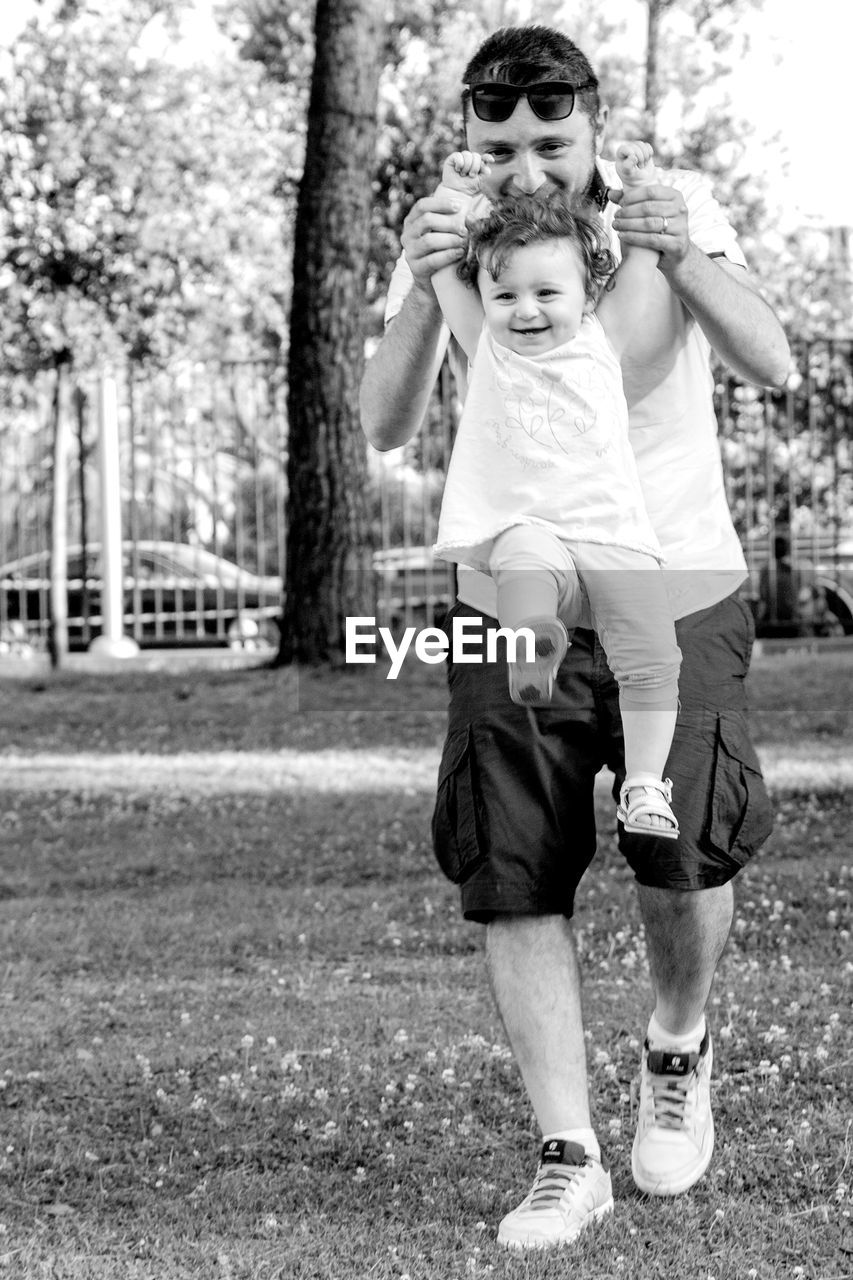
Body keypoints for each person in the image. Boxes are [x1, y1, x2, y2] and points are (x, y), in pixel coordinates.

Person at [360, 24, 788, 1251]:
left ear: (592, 132)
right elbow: (388, 423)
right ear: (468, 139)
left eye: (552, 141)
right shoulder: (452, 230)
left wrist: (681, 253)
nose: (526, 165)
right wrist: (416, 274)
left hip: (678, 576)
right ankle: (567, 1151)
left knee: (686, 852)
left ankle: (673, 1044)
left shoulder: (672, 206)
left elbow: (772, 362)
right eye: (500, 144)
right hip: (512, 582)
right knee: (511, 861)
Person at [431, 143, 682, 838]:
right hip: (533, 531)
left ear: (587, 291)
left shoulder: (605, 338)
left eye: (547, 293)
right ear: (483, 297)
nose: (524, 310)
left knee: (652, 658)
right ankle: (531, 643)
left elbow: (644, 255)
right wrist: (454, 190)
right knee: (522, 557)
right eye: (504, 295)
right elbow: (441, 260)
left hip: (611, 535)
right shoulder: (485, 342)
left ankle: (643, 788)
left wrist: (642, 184)